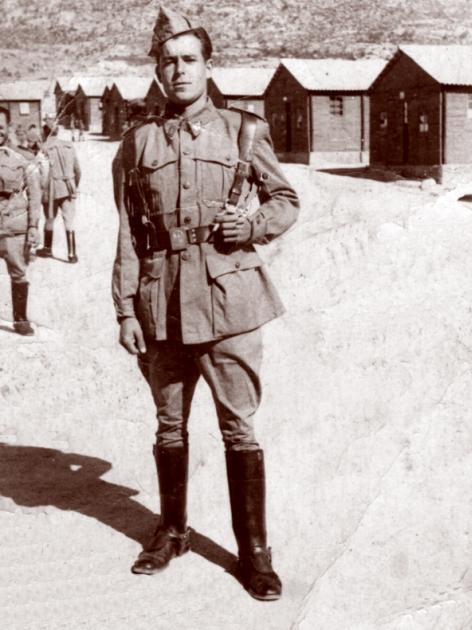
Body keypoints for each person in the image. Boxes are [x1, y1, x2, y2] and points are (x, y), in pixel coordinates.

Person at [112, 5, 299, 601]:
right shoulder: (136, 142)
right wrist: (125, 309)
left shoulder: (244, 131)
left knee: (238, 428)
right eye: (168, 61)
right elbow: (127, 233)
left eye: (189, 59)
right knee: (169, 424)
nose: (179, 70)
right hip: (161, 304)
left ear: (208, 66)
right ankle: (172, 532)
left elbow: (286, 199)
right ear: (157, 71)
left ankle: (254, 553)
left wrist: (254, 227)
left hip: (230, 302)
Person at [0, 111, 41, 335]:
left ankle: (20, 319)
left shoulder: (21, 159)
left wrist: (33, 226)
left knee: (18, 272)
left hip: (13, 229)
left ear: (8, 129)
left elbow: (35, 195)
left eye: (0, 127)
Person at [36, 114, 81, 263]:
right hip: (68, 187)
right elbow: (78, 170)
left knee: (49, 219)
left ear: (45, 133)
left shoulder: (42, 149)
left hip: (50, 189)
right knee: (69, 220)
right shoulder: (69, 146)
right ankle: (72, 254)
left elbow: (39, 173)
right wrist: (73, 185)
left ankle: (47, 249)